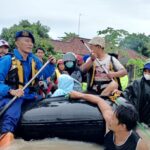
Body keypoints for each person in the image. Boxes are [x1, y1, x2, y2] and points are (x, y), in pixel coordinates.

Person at [0, 30, 56, 148]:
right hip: (10, 96)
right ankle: (6, 135)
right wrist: (11, 91)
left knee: (45, 101)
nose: (30, 44)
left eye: (31, 41)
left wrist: (51, 65)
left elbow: (44, 74)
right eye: (26, 41)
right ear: (17, 43)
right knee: (12, 112)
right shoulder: (7, 60)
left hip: (29, 95)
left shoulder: (34, 60)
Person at [69, 91, 148, 150]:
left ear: (123, 126)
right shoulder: (110, 124)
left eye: (114, 119)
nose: (110, 119)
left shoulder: (139, 145)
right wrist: (79, 95)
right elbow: (99, 100)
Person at [114, 61, 150, 126]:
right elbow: (127, 92)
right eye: (145, 71)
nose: (147, 73)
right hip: (137, 114)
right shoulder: (138, 82)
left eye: (149, 71)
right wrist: (120, 93)